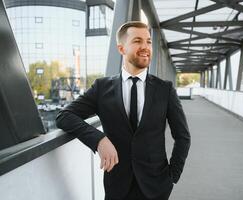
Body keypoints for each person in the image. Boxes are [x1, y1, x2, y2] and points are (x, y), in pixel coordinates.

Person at [56, 21, 190, 200]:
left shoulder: (165, 89)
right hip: (117, 186)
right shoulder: (101, 87)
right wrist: (99, 140)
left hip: (156, 186)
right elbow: (64, 116)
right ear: (121, 49)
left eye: (148, 41)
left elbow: (183, 136)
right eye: (137, 41)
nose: (145, 47)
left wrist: (173, 176)